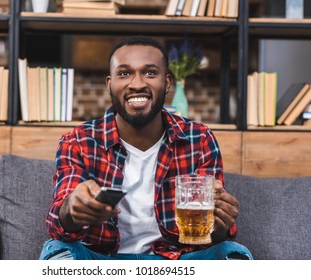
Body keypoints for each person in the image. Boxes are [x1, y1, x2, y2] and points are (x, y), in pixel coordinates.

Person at [39, 36, 253, 260]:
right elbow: (58, 224)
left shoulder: (198, 139)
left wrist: (220, 223)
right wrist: (71, 209)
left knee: (232, 254)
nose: (137, 83)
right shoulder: (78, 141)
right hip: (102, 260)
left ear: (167, 83)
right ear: (110, 84)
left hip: (176, 261)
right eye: (124, 73)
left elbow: (211, 235)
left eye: (150, 73)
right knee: (57, 252)